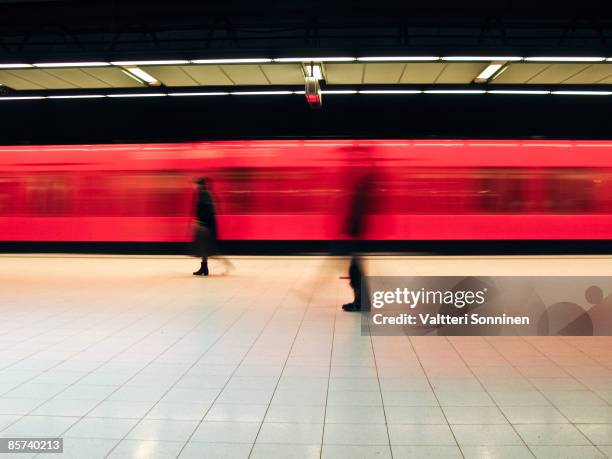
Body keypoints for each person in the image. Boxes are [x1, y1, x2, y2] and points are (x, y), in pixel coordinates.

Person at [342, 172, 373, 312]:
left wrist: (351, 232)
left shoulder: (360, 197)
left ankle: (361, 303)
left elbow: (356, 219)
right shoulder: (362, 196)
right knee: (355, 270)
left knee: (356, 271)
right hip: (358, 238)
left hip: (358, 238)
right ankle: (360, 302)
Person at [192, 177, 218, 276]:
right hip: (206, 225)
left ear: (199, 185)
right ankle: (204, 268)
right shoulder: (204, 193)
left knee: (204, 248)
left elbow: (205, 210)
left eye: (195, 184)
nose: (193, 186)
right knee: (204, 248)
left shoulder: (203, 194)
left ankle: (204, 268)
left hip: (205, 226)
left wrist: (199, 221)